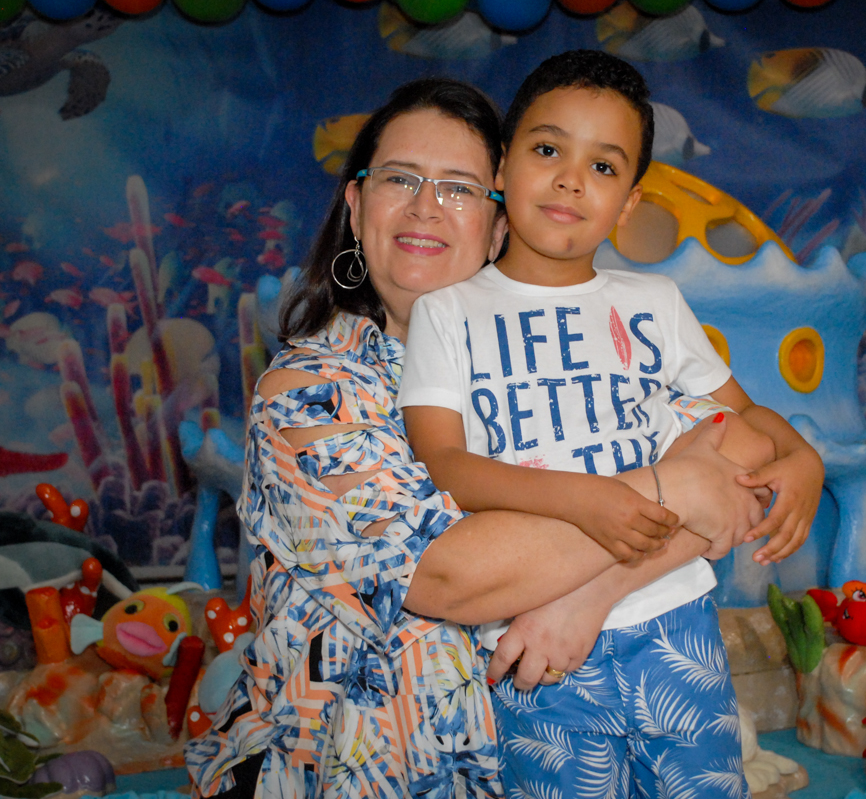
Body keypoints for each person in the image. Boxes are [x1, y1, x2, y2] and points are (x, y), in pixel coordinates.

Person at [185, 78, 766, 799]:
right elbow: (444, 575)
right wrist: (671, 487)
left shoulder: (563, 353)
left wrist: (587, 598)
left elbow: (733, 467)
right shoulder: (311, 387)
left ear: (500, 222)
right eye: (400, 178)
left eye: (459, 188)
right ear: (357, 205)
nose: (427, 205)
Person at [398, 51, 825, 796]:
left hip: (676, 619)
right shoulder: (450, 311)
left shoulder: (653, 302)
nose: (570, 178)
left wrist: (807, 460)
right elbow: (447, 463)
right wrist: (583, 498)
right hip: (532, 638)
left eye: (604, 166)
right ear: (501, 167)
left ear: (629, 204)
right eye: (547, 149)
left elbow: (746, 416)